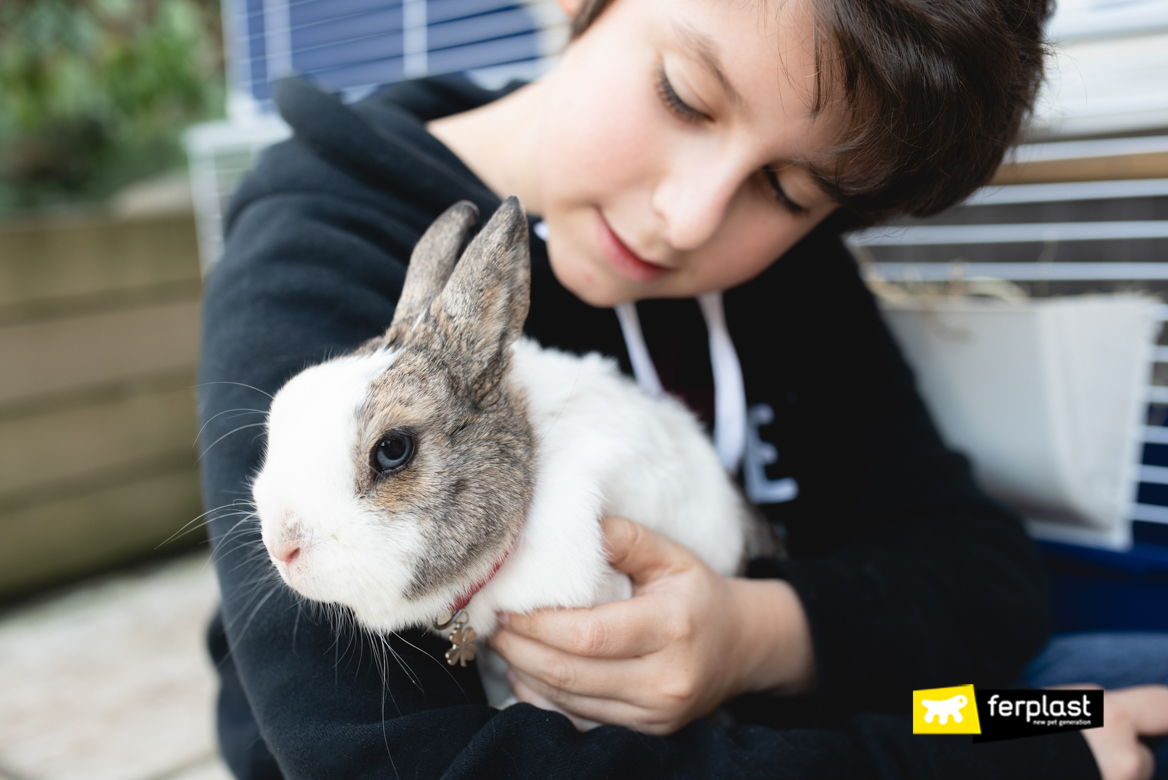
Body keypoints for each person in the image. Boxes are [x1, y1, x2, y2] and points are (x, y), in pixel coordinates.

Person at [197, 0, 1168, 777]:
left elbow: (983, 576)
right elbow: (392, 757)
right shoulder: (316, 254)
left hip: (859, 716)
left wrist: (755, 637)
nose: (690, 217)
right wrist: (998, 766)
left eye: (788, 192)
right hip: (815, 752)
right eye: (685, 96)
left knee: (1114, 701)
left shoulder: (788, 274)